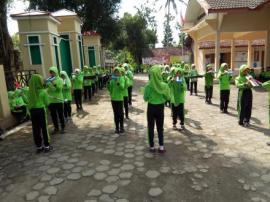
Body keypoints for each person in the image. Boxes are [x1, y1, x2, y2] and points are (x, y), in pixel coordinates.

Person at [144, 65, 170, 153]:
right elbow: (168, 97)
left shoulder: (148, 85)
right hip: (160, 108)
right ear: (159, 74)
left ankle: (151, 147)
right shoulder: (164, 85)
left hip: (151, 107)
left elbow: (145, 98)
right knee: (160, 127)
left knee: (150, 127)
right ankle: (161, 146)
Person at [28, 74, 52, 153]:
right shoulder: (43, 91)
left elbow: (28, 103)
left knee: (36, 129)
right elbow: (47, 103)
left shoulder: (29, 92)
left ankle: (39, 146)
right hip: (41, 111)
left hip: (32, 112)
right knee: (44, 128)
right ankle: (47, 146)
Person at [46, 66, 65, 134]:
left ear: (56, 72)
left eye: (53, 72)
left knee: (60, 115)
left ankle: (63, 128)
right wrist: (46, 85)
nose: (51, 74)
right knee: (53, 116)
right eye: (50, 73)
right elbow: (47, 90)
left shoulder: (60, 80)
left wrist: (53, 83)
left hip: (59, 100)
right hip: (51, 101)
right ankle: (56, 128)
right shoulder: (49, 80)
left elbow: (59, 89)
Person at [107, 67, 125, 134]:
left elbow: (122, 87)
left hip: (120, 99)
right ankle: (117, 128)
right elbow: (109, 89)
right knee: (116, 114)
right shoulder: (112, 80)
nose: (116, 73)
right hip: (113, 99)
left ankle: (122, 127)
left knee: (120, 114)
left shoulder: (122, 78)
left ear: (120, 73)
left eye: (117, 72)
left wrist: (118, 81)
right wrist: (108, 82)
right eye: (115, 72)